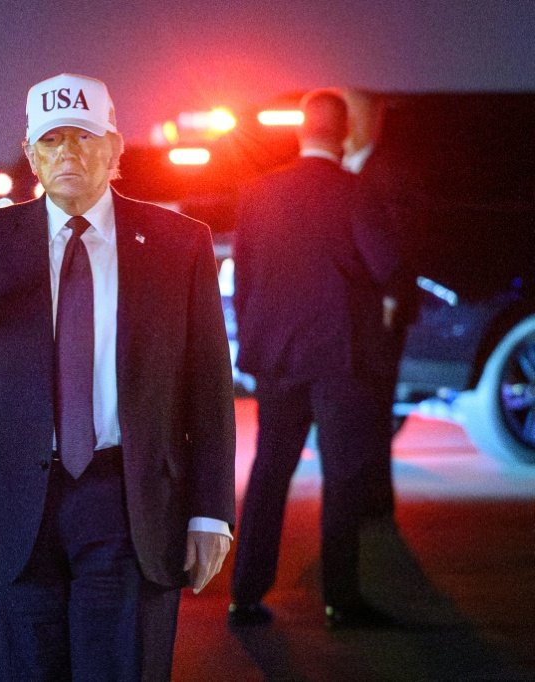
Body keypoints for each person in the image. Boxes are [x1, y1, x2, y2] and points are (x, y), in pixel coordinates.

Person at [0, 73, 236, 680]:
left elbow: (208, 388)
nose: (68, 154)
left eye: (84, 138)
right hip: (10, 502)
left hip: (129, 499)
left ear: (115, 149)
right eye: (52, 141)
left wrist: (210, 511)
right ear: (31, 155)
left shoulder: (179, 243)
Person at [227, 89, 400, 630]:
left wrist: (256, 340)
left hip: (278, 355)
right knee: (341, 474)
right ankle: (340, 600)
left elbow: (244, 278)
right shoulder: (355, 191)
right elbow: (385, 264)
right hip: (338, 355)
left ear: (300, 131)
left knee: (270, 471)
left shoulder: (259, 191)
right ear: (345, 132)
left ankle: (245, 594)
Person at [343, 88, 425, 521]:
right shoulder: (357, 167)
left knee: (374, 407)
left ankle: (374, 502)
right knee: (365, 407)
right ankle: (368, 499)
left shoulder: (387, 169)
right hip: (363, 311)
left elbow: (402, 236)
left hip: (382, 311)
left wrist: (391, 298)